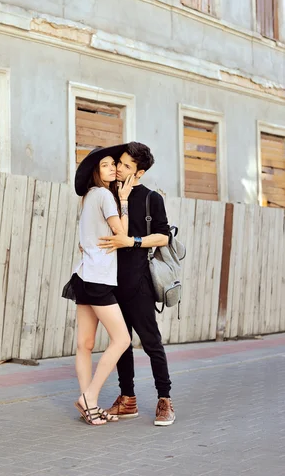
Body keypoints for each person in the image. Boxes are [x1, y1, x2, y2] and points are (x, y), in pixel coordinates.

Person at [98, 141, 175, 426]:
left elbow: (164, 237)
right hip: (109, 281)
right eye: (118, 162)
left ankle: (164, 400)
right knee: (121, 343)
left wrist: (134, 241)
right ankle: (127, 399)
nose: (119, 169)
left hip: (139, 281)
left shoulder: (150, 198)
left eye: (127, 166)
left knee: (152, 342)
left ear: (139, 173)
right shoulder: (107, 195)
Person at [69, 145, 134, 426]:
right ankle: (90, 398)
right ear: (96, 171)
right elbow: (122, 234)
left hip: (82, 275)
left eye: (112, 164)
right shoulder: (106, 196)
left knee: (85, 344)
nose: (111, 169)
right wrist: (125, 200)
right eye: (105, 165)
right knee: (122, 339)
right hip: (98, 278)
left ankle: (88, 405)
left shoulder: (87, 197)